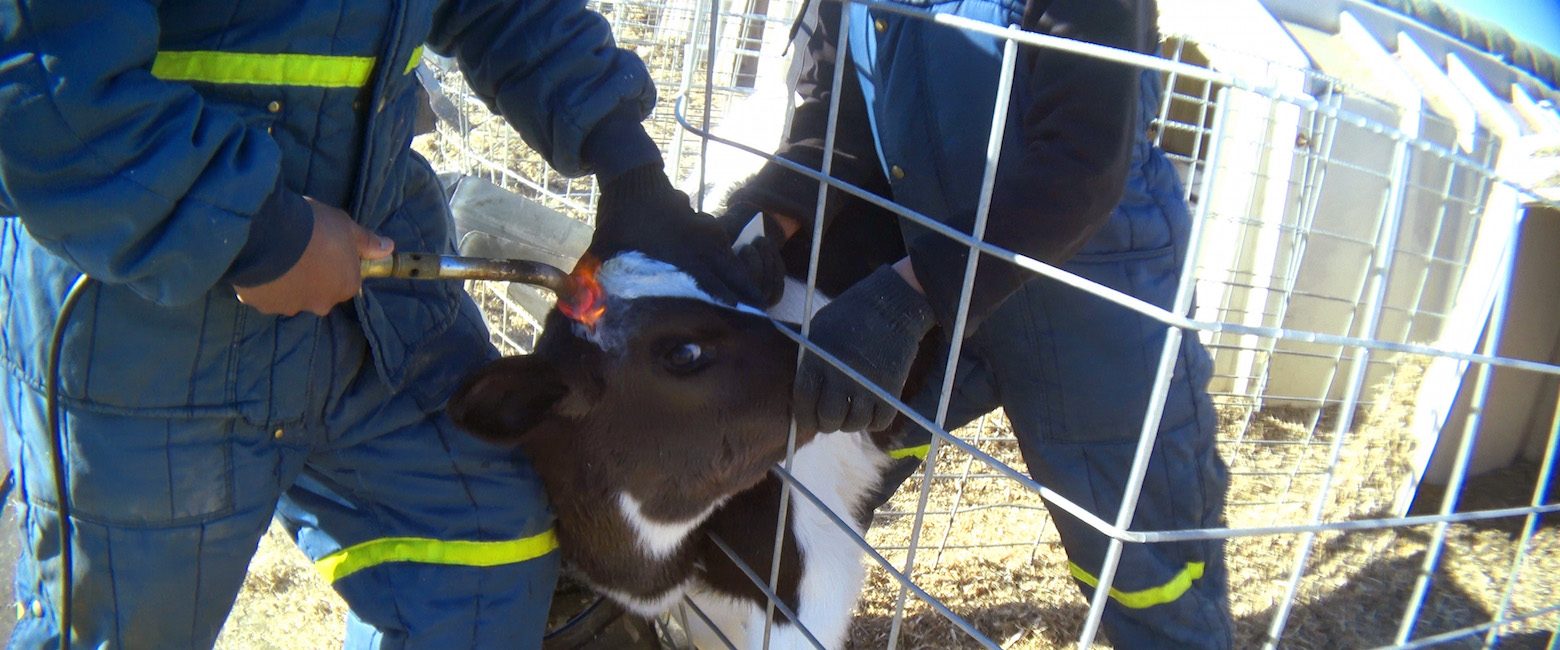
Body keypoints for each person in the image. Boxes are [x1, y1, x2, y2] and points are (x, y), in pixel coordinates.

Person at [0, 1, 757, 647]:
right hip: (145, 312)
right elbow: (37, 74)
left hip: (381, 303)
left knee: (486, 549)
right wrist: (253, 233)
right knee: (121, 627)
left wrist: (624, 157)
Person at [720, 0, 1233, 646]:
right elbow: (839, 117)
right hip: (934, 280)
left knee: (1144, 559)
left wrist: (906, 298)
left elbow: (1081, 158)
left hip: (1090, 299)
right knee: (815, 485)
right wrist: (765, 218)